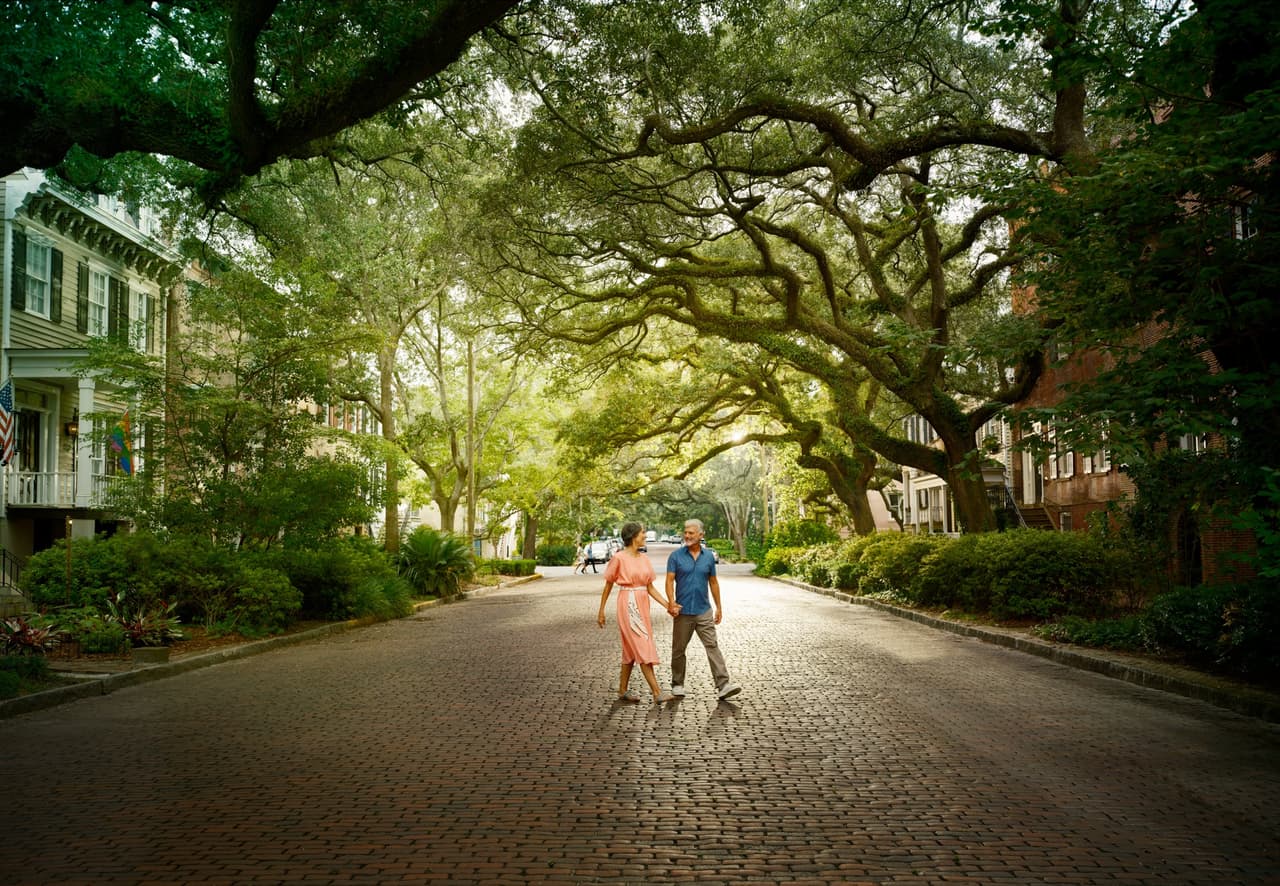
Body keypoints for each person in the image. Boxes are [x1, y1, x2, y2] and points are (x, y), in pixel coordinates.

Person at [597, 522, 679, 703]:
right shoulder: (618, 558)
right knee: (643, 645)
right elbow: (608, 585)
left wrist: (668, 605)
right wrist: (601, 610)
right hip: (628, 604)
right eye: (643, 533)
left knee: (630, 650)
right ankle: (657, 692)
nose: (645, 535)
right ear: (633, 536)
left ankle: (622, 690)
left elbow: (650, 587)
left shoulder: (644, 559)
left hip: (643, 604)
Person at [665, 519, 741, 701]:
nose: (687, 536)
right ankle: (677, 684)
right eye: (686, 532)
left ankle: (723, 685)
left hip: (703, 610)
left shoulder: (708, 557)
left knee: (712, 646)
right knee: (678, 649)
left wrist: (719, 607)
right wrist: (671, 602)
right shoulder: (675, 557)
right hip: (683, 611)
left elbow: (713, 582)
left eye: (691, 533)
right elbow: (669, 581)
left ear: (701, 535)